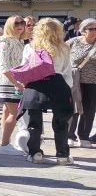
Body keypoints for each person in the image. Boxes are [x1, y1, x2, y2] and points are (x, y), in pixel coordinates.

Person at [17, 18, 74, 165]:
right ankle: (62, 154)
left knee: (34, 122)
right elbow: (67, 71)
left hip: (35, 85)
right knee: (61, 121)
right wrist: (67, 88)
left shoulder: (30, 47)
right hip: (58, 84)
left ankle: (35, 153)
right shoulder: (64, 48)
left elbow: (25, 67)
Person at [0, 16, 27, 155]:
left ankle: (5, 142)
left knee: (7, 112)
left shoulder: (19, 41)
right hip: (9, 81)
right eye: (16, 23)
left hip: (14, 80)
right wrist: (17, 83)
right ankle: (4, 144)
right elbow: (5, 65)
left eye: (22, 23)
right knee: (14, 113)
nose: (20, 25)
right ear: (9, 25)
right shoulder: (4, 41)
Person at [68, 19, 96, 147]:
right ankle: (69, 136)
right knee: (73, 107)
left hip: (93, 81)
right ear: (83, 31)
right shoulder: (74, 42)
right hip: (75, 80)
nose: (94, 32)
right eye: (91, 29)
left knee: (89, 109)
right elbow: (60, 54)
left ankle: (84, 136)